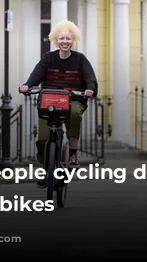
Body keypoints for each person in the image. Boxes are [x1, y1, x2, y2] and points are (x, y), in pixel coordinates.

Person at [19, 20, 98, 189]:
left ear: (73, 40)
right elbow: (37, 74)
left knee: (75, 113)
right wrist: (27, 85)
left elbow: (90, 77)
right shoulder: (48, 58)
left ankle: (73, 154)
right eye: (61, 38)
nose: (65, 42)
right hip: (50, 101)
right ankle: (46, 169)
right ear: (56, 40)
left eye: (68, 39)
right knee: (42, 139)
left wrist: (90, 89)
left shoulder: (80, 59)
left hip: (73, 100)